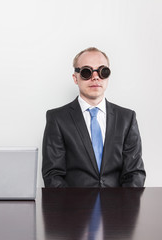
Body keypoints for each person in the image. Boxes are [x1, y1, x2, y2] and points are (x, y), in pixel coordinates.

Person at [42, 47, 146, 187]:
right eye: (86, 72)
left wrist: (123, 206)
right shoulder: (57, 118)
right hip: (73, 206)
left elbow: (135, 173)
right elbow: (53, 174)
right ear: (75, 78)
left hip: (118, 206)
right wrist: (72, 207)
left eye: (103, 71)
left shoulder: (126, 118)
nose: (95, 76)